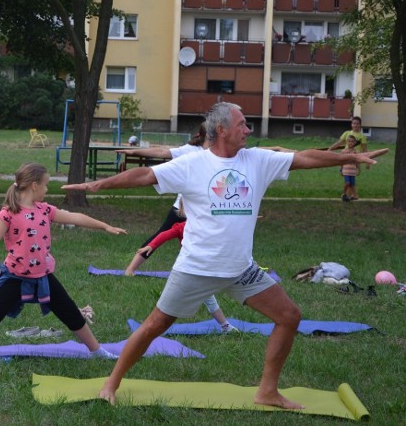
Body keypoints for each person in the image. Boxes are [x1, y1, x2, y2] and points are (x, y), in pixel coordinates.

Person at [62, 102, 387, 409]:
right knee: (153, 326)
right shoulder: (193, 164)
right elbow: (145, 176)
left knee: (289, 316)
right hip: (196, 269)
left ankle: (268, 391)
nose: (248, 129)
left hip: (240, 269)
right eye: (242, 124)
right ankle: (110, 384)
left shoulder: (257, 160)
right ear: (221, 130)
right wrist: (99, 184)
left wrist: (352, 157)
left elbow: (306, 158)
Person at [0, 162, 128, 364]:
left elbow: (75, 217)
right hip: (15, 277)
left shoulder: (45, 210)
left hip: (43, 276)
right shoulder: (8, 213)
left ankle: (96, 351)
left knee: (70, 312)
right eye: (46, 185)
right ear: (34, 186)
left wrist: (105, 226)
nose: (47, 189)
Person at [124, 203, 237, 333]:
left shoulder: (209, 225)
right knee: (173, 300)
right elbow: (163, 235)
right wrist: (151, 245)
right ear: (183, 211)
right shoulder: (182, 227)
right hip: (186, 269)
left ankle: (225, 326)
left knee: (207, 298)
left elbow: (226, 227)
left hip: (204, 268)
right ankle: (225, 326)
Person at [339, 135, 360, 202]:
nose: (350, 143)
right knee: (347, 183)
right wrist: (341, 170)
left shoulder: (356, 152)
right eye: (349, 141)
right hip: (346, 170)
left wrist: (359, 169)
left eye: (352, 141)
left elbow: (357, 161)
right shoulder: (343, 151)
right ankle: (344, 194)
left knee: (352, 184)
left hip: (352, 171)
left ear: (355, 143)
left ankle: (353, 196)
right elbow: (341, 161)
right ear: (346, 142)